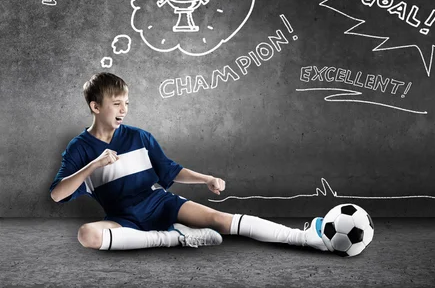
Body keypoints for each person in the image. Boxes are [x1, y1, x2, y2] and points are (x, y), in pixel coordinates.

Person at [50, 72, 328, 252]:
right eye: (116, 103)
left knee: (220, 220)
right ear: (96, 107)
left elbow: (170, 170)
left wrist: (206, 179)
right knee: (87, 235)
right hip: (123, 218)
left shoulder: (140, 137)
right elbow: (57, 194)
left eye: (127, 103)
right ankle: (174, 238)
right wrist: (93, 166)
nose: (124, 110)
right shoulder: (80, 148)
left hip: (160, 203)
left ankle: (303, 238)